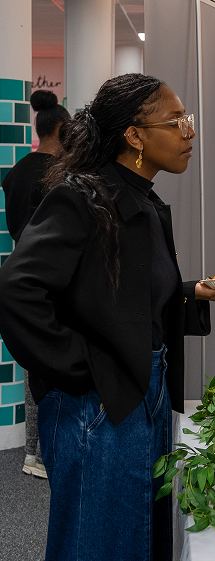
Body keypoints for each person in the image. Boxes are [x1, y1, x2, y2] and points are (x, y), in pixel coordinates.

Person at [0, 73, 215, 561]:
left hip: (144, 392)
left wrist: (199, 292)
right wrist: (83, 369)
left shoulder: (143, 199)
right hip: (99, 406)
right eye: (176, 121)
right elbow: (16, 291)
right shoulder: (81, 198)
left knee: (137, 538)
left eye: (188, 119)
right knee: (100, 545)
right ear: (134, 136)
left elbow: (123, 297)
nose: (189, 132)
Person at [2, 89, 71, 480]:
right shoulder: (56, 176)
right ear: (62, 129)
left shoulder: (15, 173)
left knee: (34, 368)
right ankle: (48, 450)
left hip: (21, 279)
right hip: (53, 280)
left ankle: (35, 451)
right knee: (57, 366)